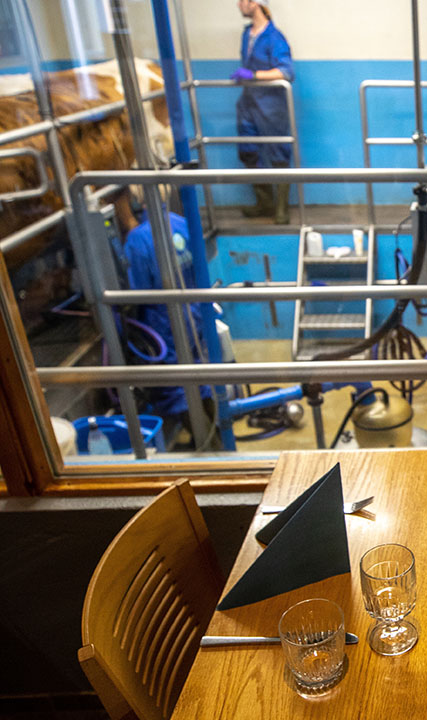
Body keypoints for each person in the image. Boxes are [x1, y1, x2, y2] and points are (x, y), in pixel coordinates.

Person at [117, 193, 219, 449]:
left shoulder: (138, 239)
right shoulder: (181, 222)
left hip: (167, 323)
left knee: (178, 387)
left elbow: (139, 292)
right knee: (200, 376)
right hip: (195, 312)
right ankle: (218, 436)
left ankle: (211, 449)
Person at [231, 0, 294, 224]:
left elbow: (286, 71)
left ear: (254, 3)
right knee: (248, 151)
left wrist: (254, 76)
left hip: (270, 105)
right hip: (248, 104)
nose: (239, 5)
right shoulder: (247, 34)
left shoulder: (274, 36)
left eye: (242, 1)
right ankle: (264, 203)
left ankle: (281, 208)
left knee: (278, 154)